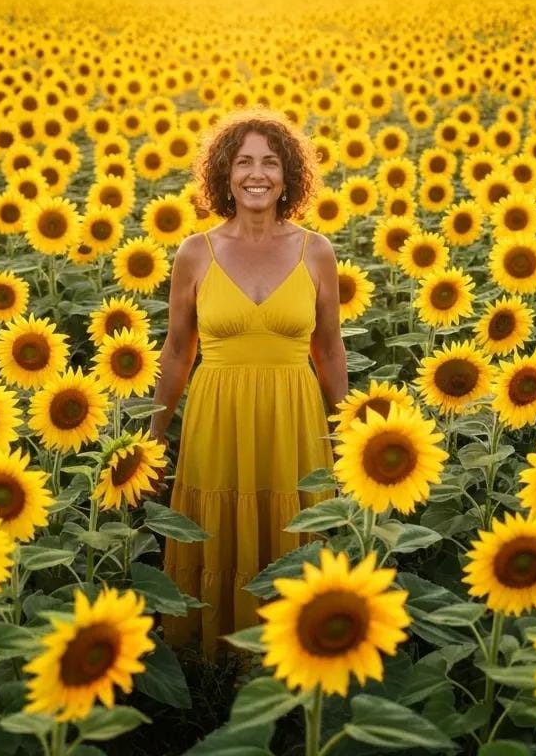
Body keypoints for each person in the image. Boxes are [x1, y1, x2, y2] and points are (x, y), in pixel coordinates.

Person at [147, 109, 348, 659]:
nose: (256, 174)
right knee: (218, 529)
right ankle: (213, 663)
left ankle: (292, 657)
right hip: (217, 416)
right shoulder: (195, 252)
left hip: (294, 418)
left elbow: (329, 350)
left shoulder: (316, 250)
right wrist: (154, 437)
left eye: (270, 162)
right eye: (243, 162)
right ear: (224, 174)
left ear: (288, 177)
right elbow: (177, 351)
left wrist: (348, 434)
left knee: (291, 529)